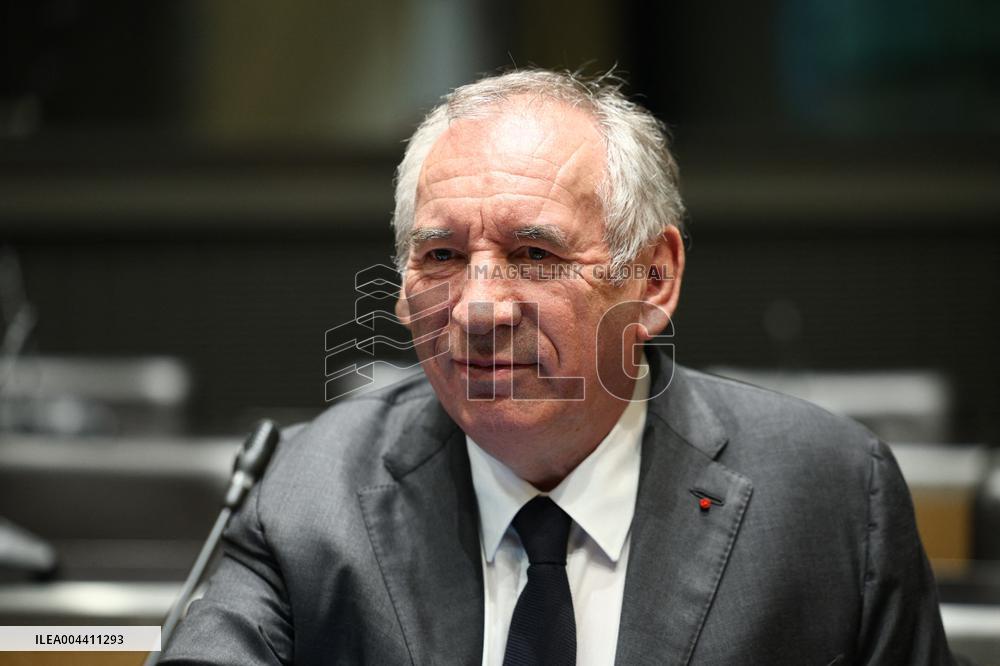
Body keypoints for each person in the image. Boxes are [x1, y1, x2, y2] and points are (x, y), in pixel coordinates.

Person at [161, 69, 956, 665]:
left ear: (652, 279)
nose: (477, 308)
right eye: (440, 255)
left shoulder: (831, 502)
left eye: (534, 254)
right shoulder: (309, 494)